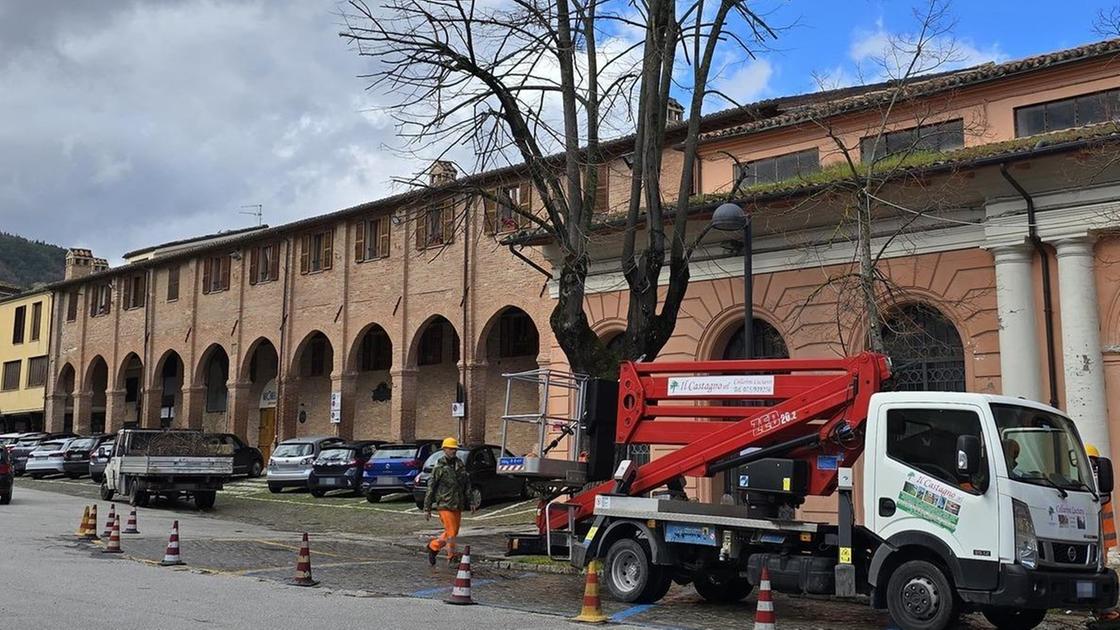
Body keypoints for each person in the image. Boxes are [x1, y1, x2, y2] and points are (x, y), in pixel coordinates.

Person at [425, 437, 472, 566]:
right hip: (444, 503)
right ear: (444, 449)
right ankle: (452, 556)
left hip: (457, 503)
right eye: (451, 449)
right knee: (451, 532)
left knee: (453, 532)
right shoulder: (439, 467)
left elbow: (467, 483)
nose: (453, 451)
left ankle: (433, 546)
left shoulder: (460, 464)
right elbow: (431, 487)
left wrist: (471, 501)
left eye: (455, 449)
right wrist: (427, 507)